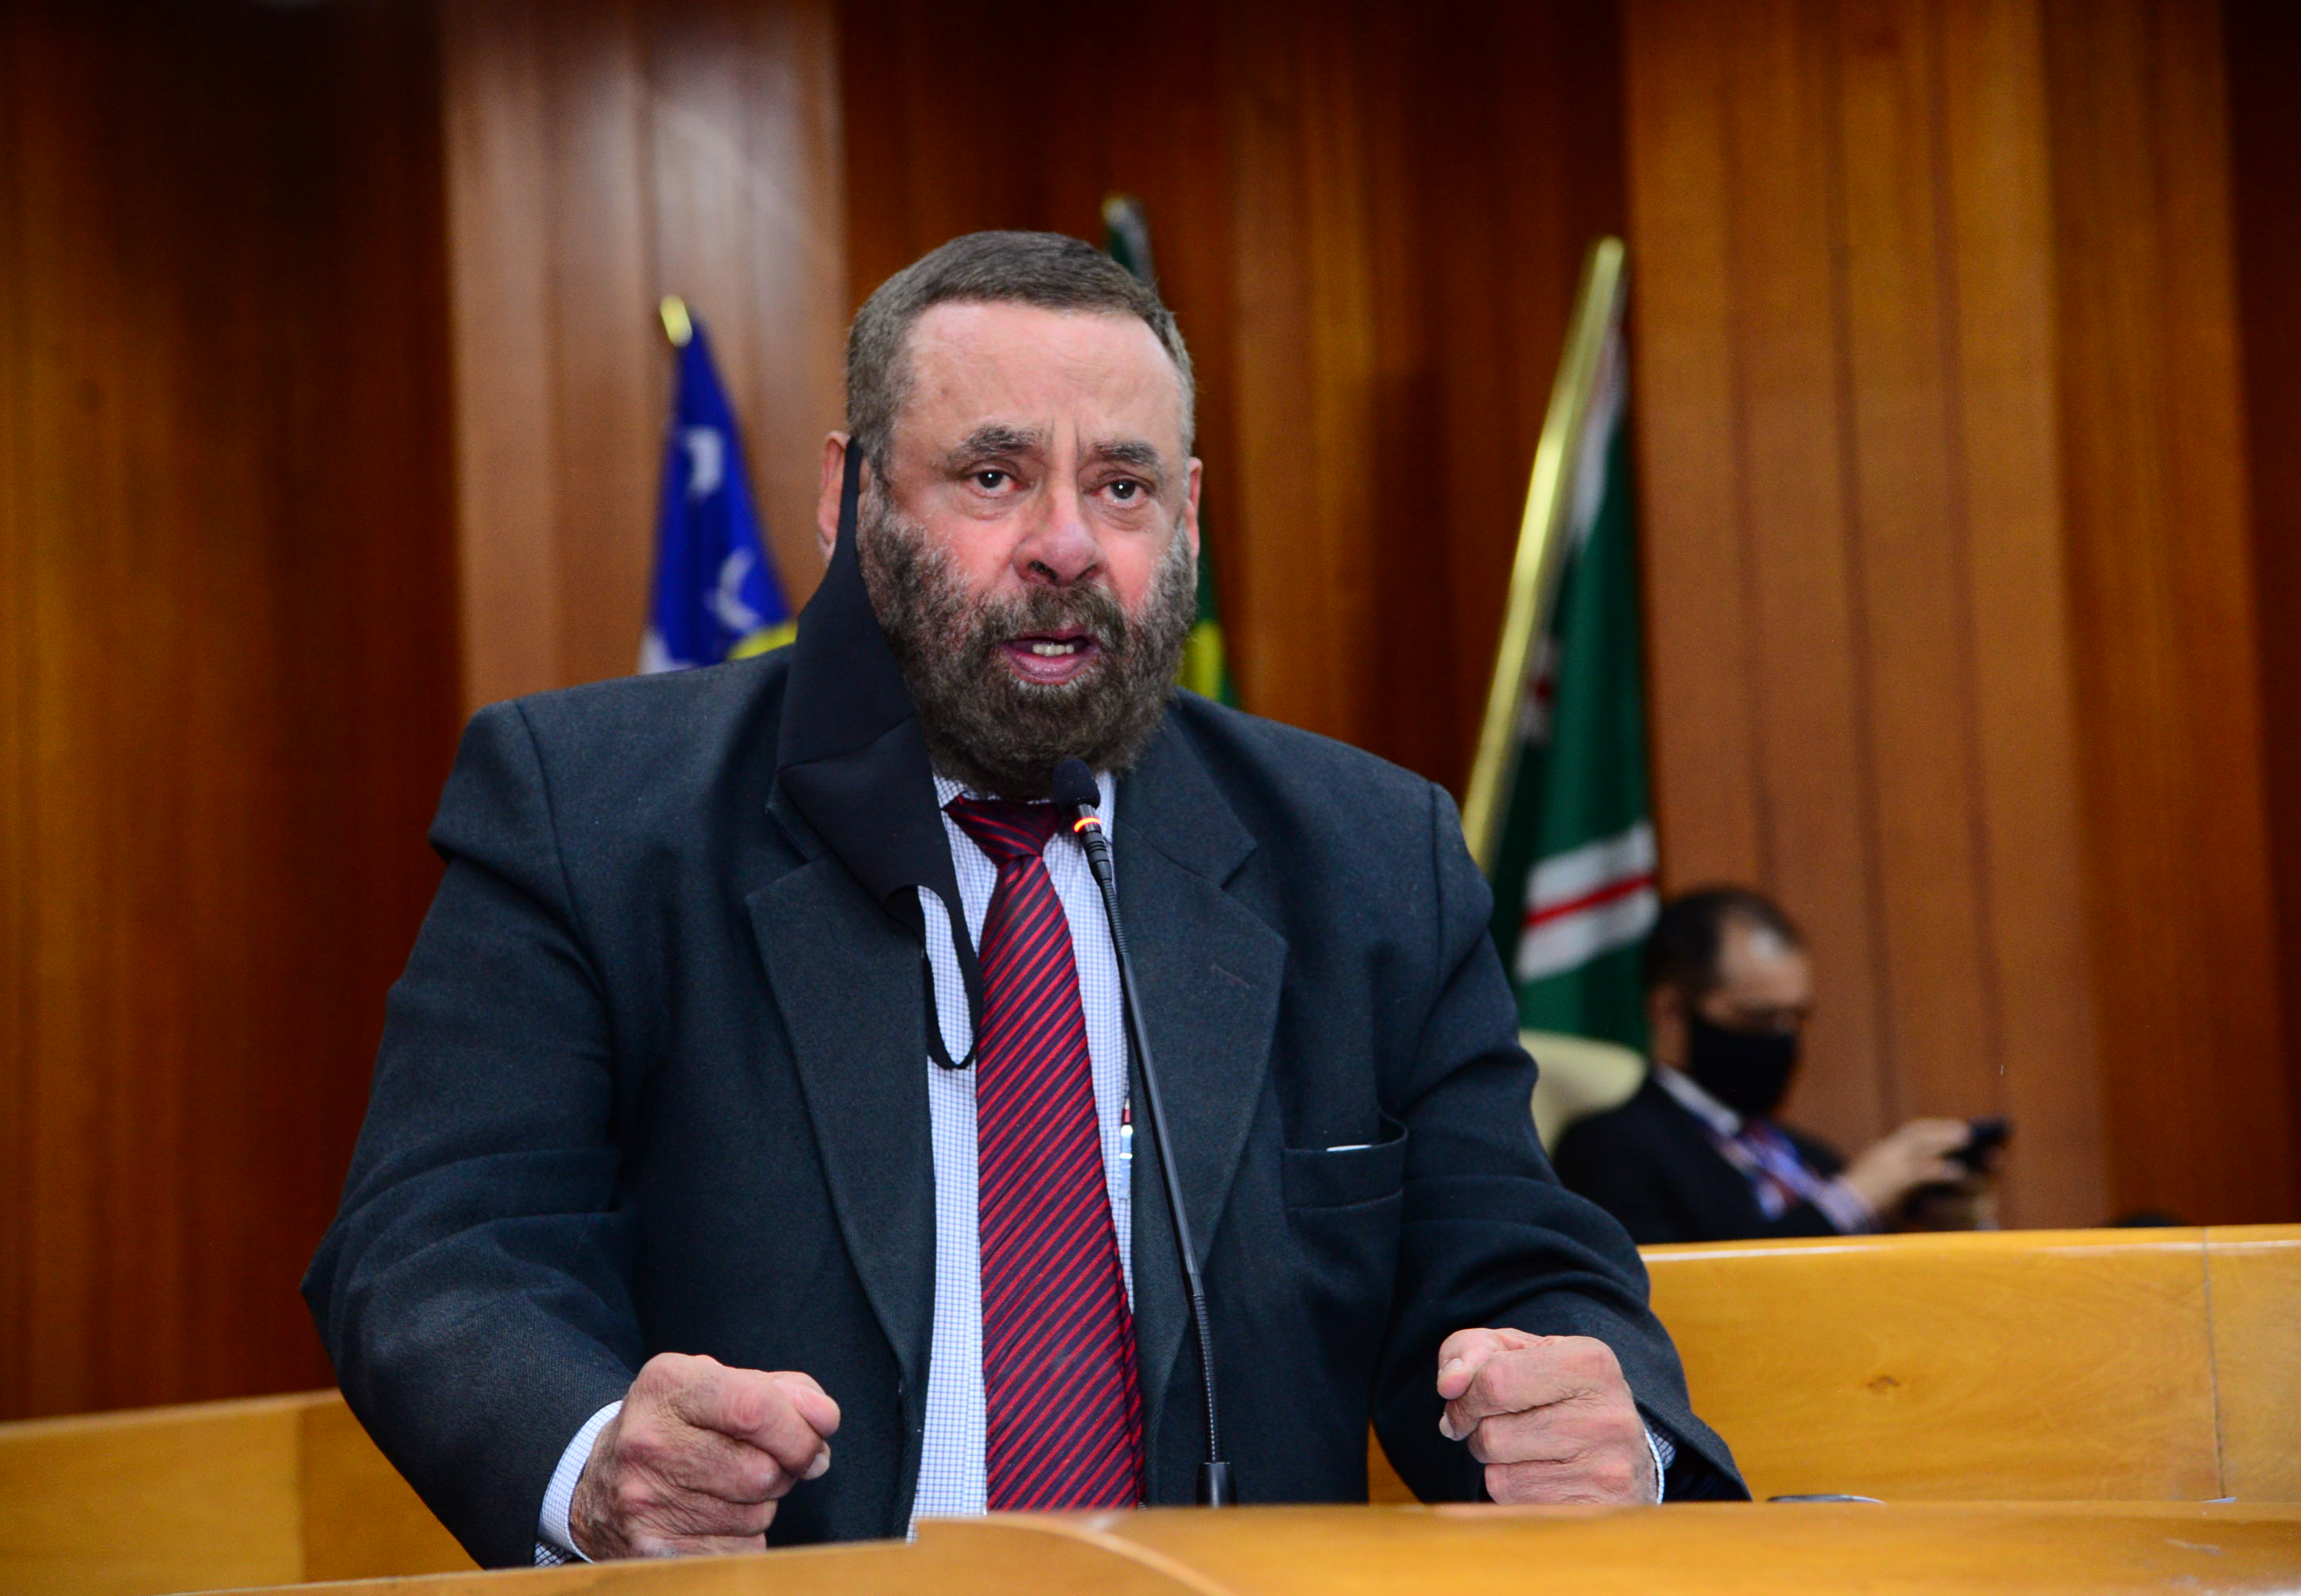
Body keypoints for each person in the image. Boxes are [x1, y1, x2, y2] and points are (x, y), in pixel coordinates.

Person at [304, 231, 1743, 1570]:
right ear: (849, 495)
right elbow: (439, 1248)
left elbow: (1511, 1265)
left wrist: (1599, 1423)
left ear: (1185, 516)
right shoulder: (595, 811)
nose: (1066, 544)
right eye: (993, 477)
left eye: (1120, 487)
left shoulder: (1366, 854)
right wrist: (597, 1463)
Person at [1551, 888, 1981, 1245]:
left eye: (1796, 1018)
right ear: (1670, 1012)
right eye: (1759, 1018)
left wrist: (1947, 1224)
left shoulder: (1812, 1157)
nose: (1784, 1039)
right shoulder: (1610, 1149)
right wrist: (1852, 1198)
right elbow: (1688, 1296)